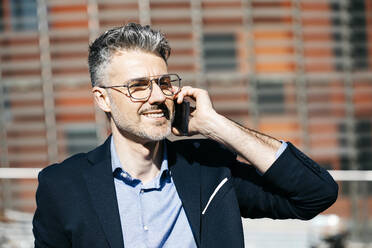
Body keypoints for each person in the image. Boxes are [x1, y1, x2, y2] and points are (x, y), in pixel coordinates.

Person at [32, 23, 338, 248]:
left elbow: (315, 194)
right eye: (137, 86)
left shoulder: (209, 169)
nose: (156, 96)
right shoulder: (62, 186)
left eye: (163, 83)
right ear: (102, 99)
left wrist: (215, 125)